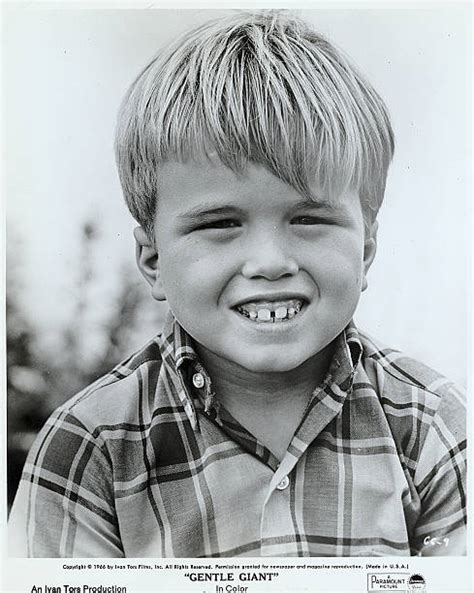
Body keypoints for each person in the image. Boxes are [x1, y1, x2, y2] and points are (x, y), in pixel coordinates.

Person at [9, 11, 466, 558]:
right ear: (152, 259)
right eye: (220, 224)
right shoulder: (91, 448)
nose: (269, 263)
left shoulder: (430, 427)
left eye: (309, 219)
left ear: (366, 248)